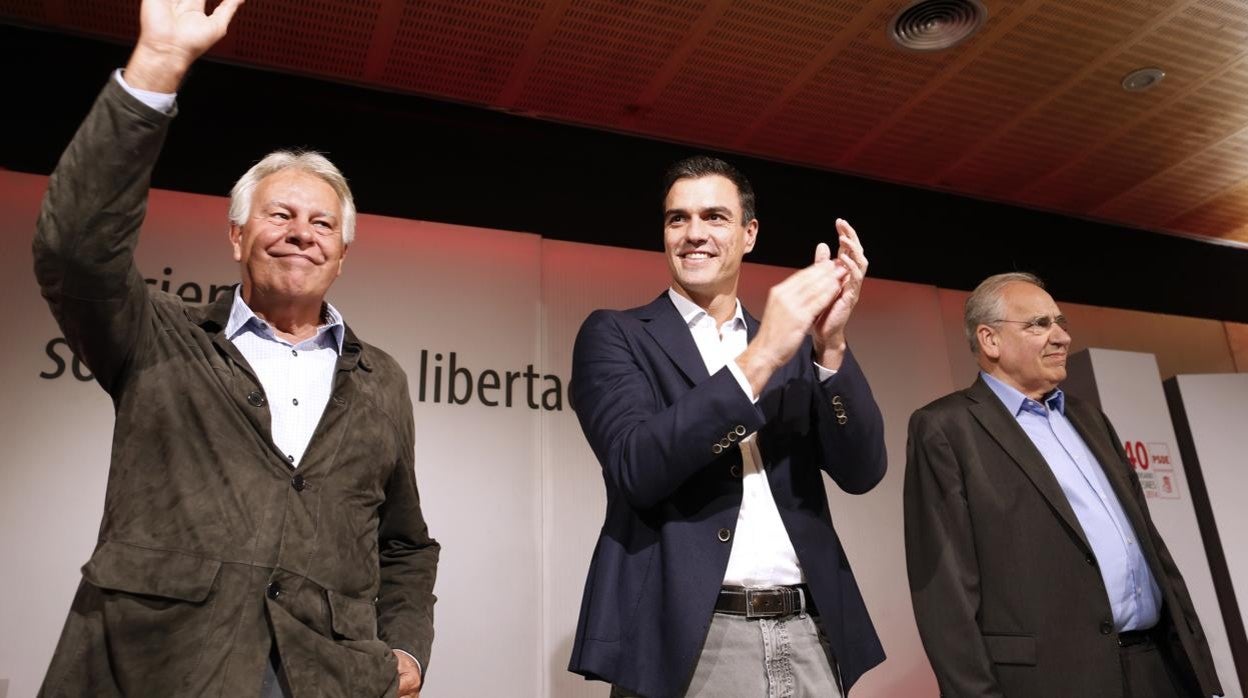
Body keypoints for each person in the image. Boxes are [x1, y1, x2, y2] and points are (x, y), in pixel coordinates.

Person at [32, 1, 437, 696]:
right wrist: (157, 65)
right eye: (279, 215)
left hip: (323, 678)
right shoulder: (159, 335)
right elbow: (75, 250)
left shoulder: (381, 380)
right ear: (237, 237)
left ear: (341, 255)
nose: (301, 232)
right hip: (156, 669)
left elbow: (404, 543)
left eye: (322, 224)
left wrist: (405, 652)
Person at [567, 155, 888, 697]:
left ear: (749, 234)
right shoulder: (617, 335)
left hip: (810, 632)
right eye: (677, 219)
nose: (694, 234)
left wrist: (830, 345)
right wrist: (761, 355)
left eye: (715, 217)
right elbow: (637, 467)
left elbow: (862, 470)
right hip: (692, 643)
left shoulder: (791, 343)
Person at [904, 272, 1223, 698]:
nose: (1061, 337)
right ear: (990, 340)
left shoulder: (1089, 418)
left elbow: (1152, 551)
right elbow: (946, 595)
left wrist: (1202, 674)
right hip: (1055, 681)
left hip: (1158, 668)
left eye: (1060, 322)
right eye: (1039, 324)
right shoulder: (946, 428)